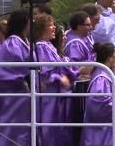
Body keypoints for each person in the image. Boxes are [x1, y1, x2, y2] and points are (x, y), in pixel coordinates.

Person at [34, 13, 76, 146]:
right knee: (49, 126)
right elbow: (45, 72)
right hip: (49, 95)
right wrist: (59, 77)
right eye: (50, 25)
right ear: (41, 29)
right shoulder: (41, 46)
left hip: (56, 95)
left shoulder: (48, 46)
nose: (54, 28)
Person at [0, 9, 31, 146]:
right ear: (23, 23)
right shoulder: (13, 43)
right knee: (11, 128)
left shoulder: (23, 41)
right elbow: (15, 68)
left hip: (22, 95)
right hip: (13, 95)